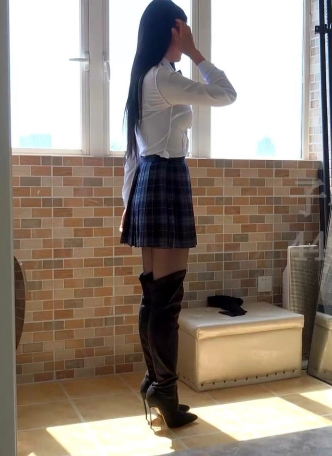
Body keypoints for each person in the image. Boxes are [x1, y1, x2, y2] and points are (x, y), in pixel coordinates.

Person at [119, 0, 236, 429]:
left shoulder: (146, 77)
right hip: (165, 180)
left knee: (155, 295)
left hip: (150, 183)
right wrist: (197, 54)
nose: (186, 36)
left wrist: (127, 203)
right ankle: (164, 392)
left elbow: (134, 154)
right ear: (172, 30)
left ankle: (156, 383)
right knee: (166, 298)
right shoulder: (163, 78)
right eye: (182, 29)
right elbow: (226, 94)